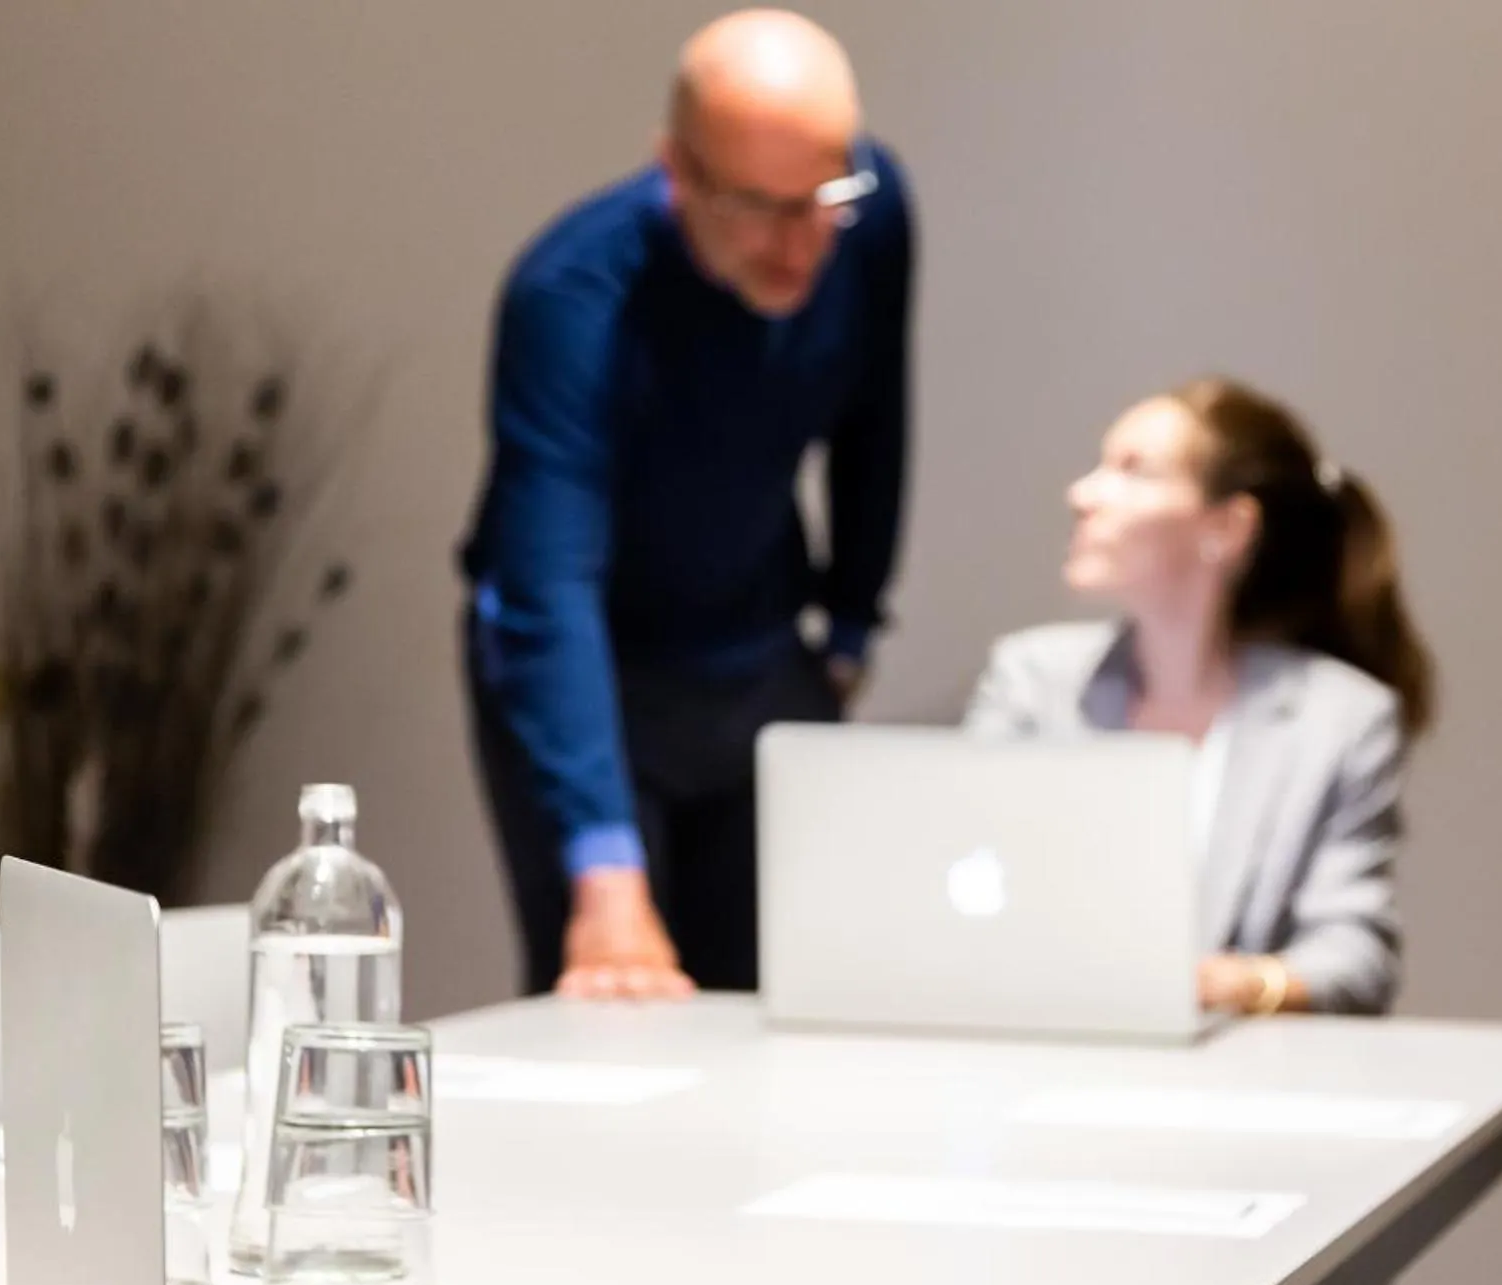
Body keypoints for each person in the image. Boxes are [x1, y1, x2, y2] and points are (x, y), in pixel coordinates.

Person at [461, 9, 914, 1001]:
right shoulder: (572, 297)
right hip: (592, 675)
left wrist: (847, 625)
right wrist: (604, 864)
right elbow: (548, 582)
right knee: (616, 985)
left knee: (789, 987)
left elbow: (875, 419)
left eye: (822, 199)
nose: (801, 247)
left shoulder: (870, 219)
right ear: (677, 169)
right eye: (760, 207)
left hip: (758, 648)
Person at [965, 378, 1435, 1016]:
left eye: (1135, 472)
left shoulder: (1338, 719)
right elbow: (967, 875)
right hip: (1041, 1041)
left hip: (1234, 1077)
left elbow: (1356, 954)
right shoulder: (1031, 680)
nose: (1084, 494)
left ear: (1228, 527)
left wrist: (1222, 986)